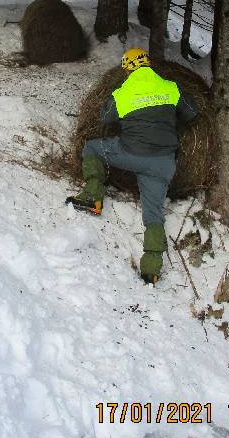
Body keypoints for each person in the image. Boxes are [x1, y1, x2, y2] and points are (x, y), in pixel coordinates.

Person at [66, 48, 198, 284]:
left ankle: (93, 197)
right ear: (148, 64)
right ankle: (151, 269)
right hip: (163, 163)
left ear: (127, 69)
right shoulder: (170, 87)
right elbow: (191, 113)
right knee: (153, 214)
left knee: (93, 148)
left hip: (130, 154)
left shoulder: (123, 91)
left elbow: (106, 118)